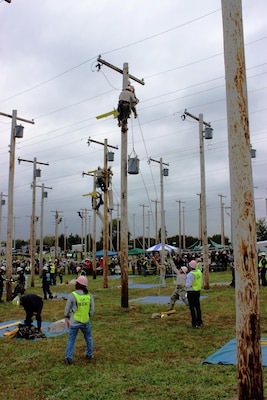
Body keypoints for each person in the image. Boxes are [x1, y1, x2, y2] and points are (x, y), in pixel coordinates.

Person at [64, 275, 94, 365]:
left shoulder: (72, 295)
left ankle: (68, 358)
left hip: (74, 322)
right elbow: (92, 309)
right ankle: (89, 354)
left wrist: (66, 317)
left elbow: (67, 309)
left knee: (71, 339)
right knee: (88, 338)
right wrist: (88, 316)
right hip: (86, 320)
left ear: (77, 284)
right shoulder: (89, 295)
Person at [185, 260, 203, 328]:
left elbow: (188, 284)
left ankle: (194, 323)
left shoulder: (190, 274)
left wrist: (184, 283)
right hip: (197, 290)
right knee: (198, 307)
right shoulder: (198, 272)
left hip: (191, 291)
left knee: (192, 308)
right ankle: (199, 321)